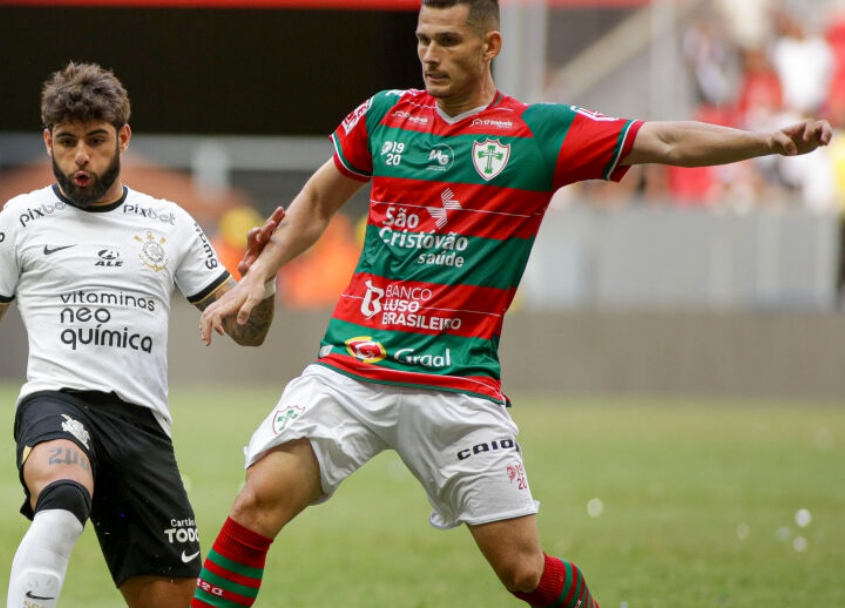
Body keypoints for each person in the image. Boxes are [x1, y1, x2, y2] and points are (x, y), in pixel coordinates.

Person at [190, 2, 833, 607]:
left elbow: (662, 142)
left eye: (448, 41)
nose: (430, 55)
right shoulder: (384, 116)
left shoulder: (536, 133)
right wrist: (260, 273)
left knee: (523, 571)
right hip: (351, 370)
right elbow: (317, 203)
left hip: (456, 388)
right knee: (256, 503)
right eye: (422, 40)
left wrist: (768, 144)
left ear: (490, 44)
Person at [0, 61, 277, 608]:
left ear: (123, 136)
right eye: (67, 142)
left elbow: (247, 330)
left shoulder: (169, 224)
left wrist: (265, 278)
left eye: (96, 140)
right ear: (48, 140)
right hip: (58, 402)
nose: (81, 157)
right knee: (64, 496)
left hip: (142, 427)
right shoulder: (19, 221)